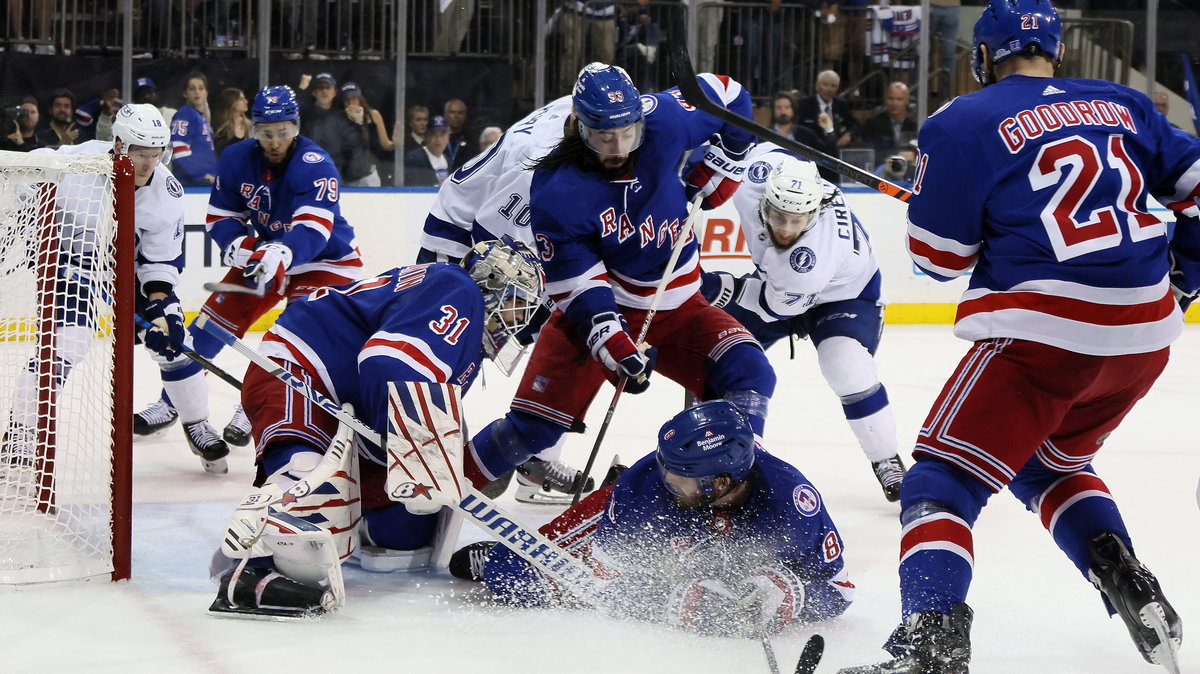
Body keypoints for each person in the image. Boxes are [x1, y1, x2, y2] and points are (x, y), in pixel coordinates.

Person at [837, 1, 1197, 672]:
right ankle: (1129, 581)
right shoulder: (1124, 102)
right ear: (1056, 51)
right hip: (1146, 335)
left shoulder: (962, 120)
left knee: (941, 483)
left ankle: (933, 645)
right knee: (1049, 464)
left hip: (1044, 336)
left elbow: (939, 259)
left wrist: (930, 206)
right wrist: (1186, 276)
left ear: (983, 57)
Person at [467, 63, 777, 499]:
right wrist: (616, 348)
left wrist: (729, 161)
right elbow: (580, 286)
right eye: (603, 137)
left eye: (628, 134)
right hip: (602, 314)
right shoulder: (558, 190)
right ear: (577, 123)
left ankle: (730, 492)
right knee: (531, 431)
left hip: (683, 308)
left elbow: (728, 91)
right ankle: (432, 493)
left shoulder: (664, 119)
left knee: (750, 371)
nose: (617, 148)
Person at [206, 238, 547, 618]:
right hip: (300, 369)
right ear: (495, 285)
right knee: (312, 482)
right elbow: (386, 361)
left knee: (408, 533)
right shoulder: (461, 290)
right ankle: (238, 567)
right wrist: (410, 450)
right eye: (519, 302)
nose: (520, 318)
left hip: (351, 393)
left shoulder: (460, 315)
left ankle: (347, 528)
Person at [451, 401, 854, 637]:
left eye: (682, 481)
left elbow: (840, 589)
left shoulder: (792, 504)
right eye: (668, 472)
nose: (668, 485)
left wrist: (789, 595)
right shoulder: (644, 492)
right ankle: (494, 556)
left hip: (705, 543)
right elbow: (601, 584)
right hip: (624, 514)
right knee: (514, 578)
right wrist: (671, 599)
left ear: (723, 481)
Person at [133, 85, 365, 456]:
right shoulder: (237, 158)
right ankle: (171, 402)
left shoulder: (315, 163)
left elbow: (314, 229)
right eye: (266, 133)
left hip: (326, 262)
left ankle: (251, 406)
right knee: (208, 326)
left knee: (288, 339)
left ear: (297, 127)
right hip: (266, 256)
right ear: (253, 128)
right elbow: (221, 216)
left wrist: (279, 251)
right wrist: (242, 247)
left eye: (284, 132)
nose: (275, 142)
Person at [2, 104, 224, 473]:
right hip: (72, 267)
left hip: (128, 270)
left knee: (173, 341)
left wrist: (159, 305)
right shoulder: (75, 164)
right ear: (119, 144)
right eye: (141, 154)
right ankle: (22, 432)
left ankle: (197, 422)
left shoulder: (166, 192)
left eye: (156, 154)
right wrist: (27, 221)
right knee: (67, 341)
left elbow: (160, 262)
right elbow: (22, 177)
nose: (149, 164)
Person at [699, 146, 906, 502]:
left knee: (846, 366)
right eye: (779, 216)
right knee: (713, 354)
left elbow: (771, 306)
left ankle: (886, 458)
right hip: (777, 284)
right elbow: (758, 147)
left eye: (798, 220)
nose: (786, 229)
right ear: (766, 199)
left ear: (816, 211)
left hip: (844, 295)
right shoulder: (759, 176)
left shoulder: (814, 255)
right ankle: (707, 454)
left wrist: (720, 287)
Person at [417, 92, 592, 503]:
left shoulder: (590, 116)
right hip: (461, 235)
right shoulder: (540, 160)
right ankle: (425, 446)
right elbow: (493, 247)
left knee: (573, 334)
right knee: (451, 346)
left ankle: (536, 459)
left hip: (512, 236)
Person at [299, 73, 366, 185]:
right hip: (308, 173)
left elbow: (355, 145)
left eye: (328, 87)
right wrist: (301, 90)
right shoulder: (305, 115)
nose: (324, 91)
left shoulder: (342, 118)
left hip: (335, 175)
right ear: (314, 92)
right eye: (320, 88)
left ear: (334, 92)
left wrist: (359, 124)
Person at [796, 71, 859, 182]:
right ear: (817, 86)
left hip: (834, 159)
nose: (829, 89)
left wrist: (849, 135)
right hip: (810, 158)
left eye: (833, 86)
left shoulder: (841, 104)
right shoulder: (804, 104)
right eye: (825, 85)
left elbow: (855, 125)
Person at [169, 73, 218, 186]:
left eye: (201, 88)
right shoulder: (185, 113)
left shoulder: (201, 118)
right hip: (191, 186)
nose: (197, 92)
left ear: (206, 93)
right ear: (185, 93)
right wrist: (200, 175)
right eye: (192, 89)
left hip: (205, 185)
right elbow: (178, 148)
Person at [337, 82, 382, 187]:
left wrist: (360, 123)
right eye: (347, 100)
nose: (351, 103)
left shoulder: (371, 116)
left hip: (367, 174)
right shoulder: (339, 120)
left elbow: (375, 147)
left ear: (360, 99)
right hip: (347, 176)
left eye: (354, 98)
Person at [860, 81, 917, 158]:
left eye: (899, 99)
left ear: (907, 101)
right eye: (890, 98)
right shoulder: (872, 124)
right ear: (885, 100)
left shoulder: (915, 125)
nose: (894, 103)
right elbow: (868, 152)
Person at [404, 114, 453, 186]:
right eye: (433, 134)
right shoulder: (415, 159)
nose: (438, 139)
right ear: (426, 136)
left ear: (448, 137)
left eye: (442, 135)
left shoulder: (447, 160)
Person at [211, 87, 252, 156]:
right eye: (241, 99)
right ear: (232, 102)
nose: (246, 101)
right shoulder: (220, 129)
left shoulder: (249, 126)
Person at [442, 98, 474, 168]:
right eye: (452, 112)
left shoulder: (472, 140)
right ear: (445, 115)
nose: (456, 116)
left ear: (465, 116)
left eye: (460, 113)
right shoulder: (436, 139)